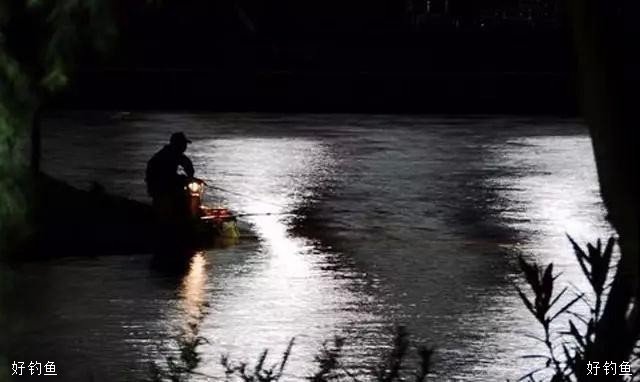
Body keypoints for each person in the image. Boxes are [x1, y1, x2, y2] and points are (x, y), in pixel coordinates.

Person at [145, 132, 195, 220]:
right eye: (184, 144)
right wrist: (185, 178)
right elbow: (167, 176)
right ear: (179, 144)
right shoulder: (170, 155)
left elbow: (188, 167)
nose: (185, 147)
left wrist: (187, 177)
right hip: (161, 187)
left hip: (156, 186)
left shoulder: (168, 153)